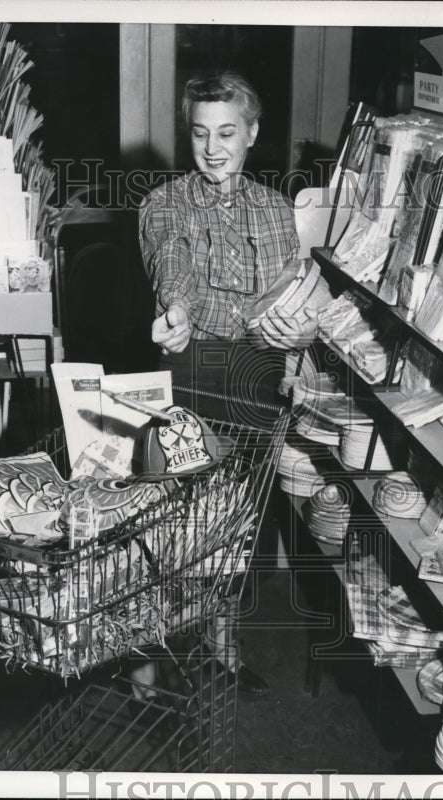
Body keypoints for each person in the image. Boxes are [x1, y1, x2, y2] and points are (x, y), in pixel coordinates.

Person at [139, 71, 319, 696]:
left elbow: (287, 292)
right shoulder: (164, 202)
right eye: (200, 133)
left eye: (227, 132)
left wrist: (297, 350)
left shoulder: (275, 209)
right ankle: (152, 654)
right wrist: (177, 311)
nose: (213, 147)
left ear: (251, 134)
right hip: (193, 369)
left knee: (243, 522)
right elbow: (172, 258)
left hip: (260, 374)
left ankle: (222, 647)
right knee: (176, 520)